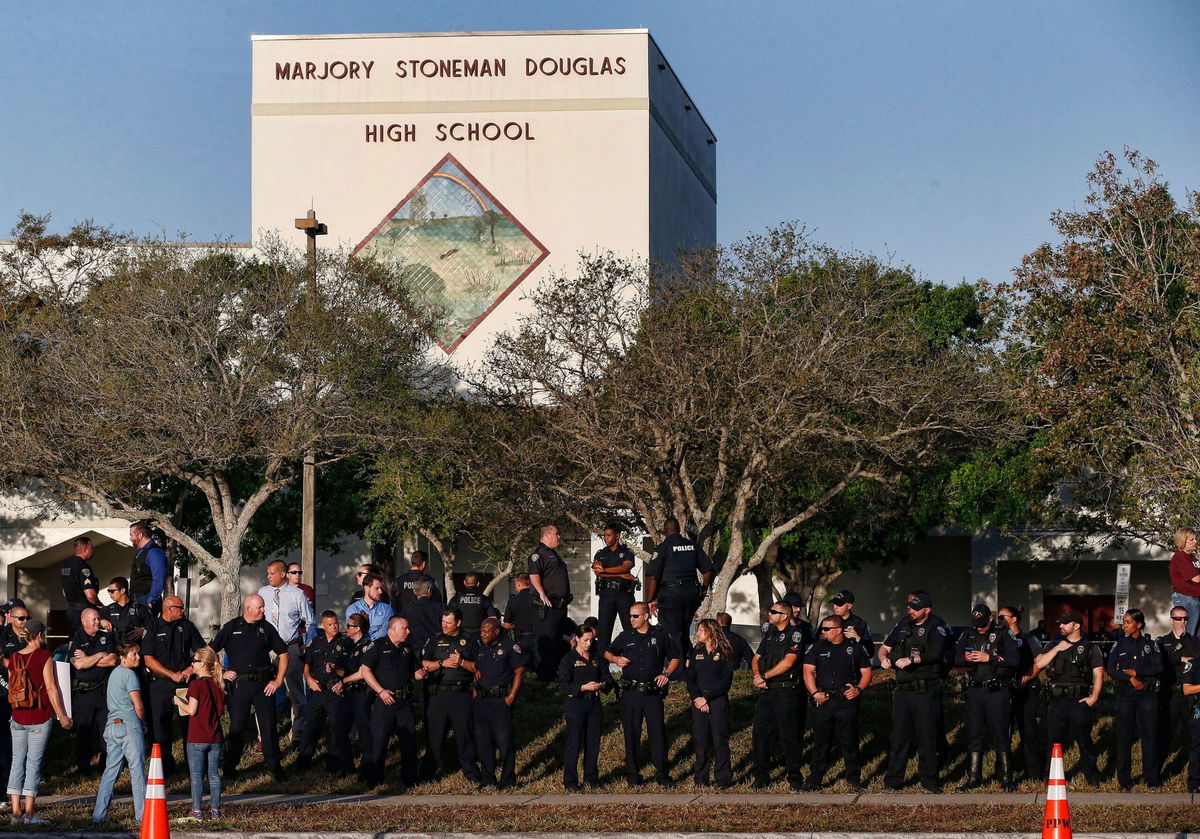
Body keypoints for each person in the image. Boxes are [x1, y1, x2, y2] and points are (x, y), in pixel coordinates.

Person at [207, 594, 289, 779]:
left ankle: (275, 768)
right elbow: (210, 651)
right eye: (259, 607)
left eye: (263, 607)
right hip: (239, 686)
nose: (263, 610)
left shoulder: (266, 628)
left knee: (268, 727)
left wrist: (278, 681)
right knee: (237, 727)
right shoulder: (232, 627)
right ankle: (229, 768)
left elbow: (283, 654)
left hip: (263, 685)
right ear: (248, 609)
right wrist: (222, 670)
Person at [878, 590, 951, 793]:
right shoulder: (903, 624)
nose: (911, 611)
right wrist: (883, 657)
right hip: (903, 691)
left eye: (916, 608)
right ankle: (893, 781)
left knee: (927, 738)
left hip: (925, 690)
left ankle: (929, 780)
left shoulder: (936, 626)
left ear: (927, 610)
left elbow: (936, 653)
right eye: (910, 607)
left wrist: (912, 660)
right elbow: (885, 646)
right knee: (899, 737)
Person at [605, 600, 680, 787]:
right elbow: (606, 652)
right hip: (631, 694)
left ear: (646, 616)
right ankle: (633, 776)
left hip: (652, 693)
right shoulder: (625, 636)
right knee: (631, 735)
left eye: (635, 616)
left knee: (658, 735)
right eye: (630, 615)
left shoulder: (660, 635)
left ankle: (662, 775)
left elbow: (676, 657)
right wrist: (615, 659)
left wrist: (666, 674)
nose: (631, 619)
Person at [7, 618, 72, 826]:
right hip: (38, 716)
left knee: (17, 761)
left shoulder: (15, 657)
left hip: (17, 716)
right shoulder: (44, 656)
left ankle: (15, 812)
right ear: (39, 635)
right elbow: (51, 688)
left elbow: (12, 687)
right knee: (33, 764)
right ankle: (29, 814)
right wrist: (62, 715)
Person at [802, 614, 872, 791]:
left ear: (839, 630)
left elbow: (867, 672)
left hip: (846, 702)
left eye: (827, 629)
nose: (823, 632)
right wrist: (814, 692)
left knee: (850, 743)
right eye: (822, 628)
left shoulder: (854, 648)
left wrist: (859, 689)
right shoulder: (817, 647)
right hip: (824, 701)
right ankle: (814, 780)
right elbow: (808, 671)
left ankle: (854, 779)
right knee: (820, 743)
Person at [1032, 610, 1103, 786]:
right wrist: (1057, 649)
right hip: (1057, 702)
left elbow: (1099, 675)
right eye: (1060, 623)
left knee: (1084, 741)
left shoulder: (1090, 648)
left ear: (1076, 625)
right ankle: (1052, 776)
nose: (1061, 626)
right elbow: (1039, 664)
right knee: (1054, 741)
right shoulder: (1053, 644)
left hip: (1079, 701)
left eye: (1065, 623)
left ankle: (1092, 777)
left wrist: (1093, 697)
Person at [954, 603, 1019, 790]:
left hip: (997, 690)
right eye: (976, 622)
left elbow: (1014, 660)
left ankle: (1006, 777)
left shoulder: (1003, 634)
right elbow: (955, 658)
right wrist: (965, 659)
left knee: (1000, 734)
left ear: (991, 617)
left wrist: (989, 657)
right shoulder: (968, 633)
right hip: (975, 690)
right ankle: (974, 777)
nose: (979, 626)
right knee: (974, 734)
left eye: (982, 622)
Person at [140, 594, 205, 778]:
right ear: (169, 609)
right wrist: (171, 674)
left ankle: (192, 767)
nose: (183, 611)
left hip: (184, 685)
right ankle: (165, 768)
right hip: (160, 685)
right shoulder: (153, 627)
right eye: (180, 607)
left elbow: (201, 652)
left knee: (189, 726)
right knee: (160, 728)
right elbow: (148, 659)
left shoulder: (187, 626)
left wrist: (189, 670)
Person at [361, 616, 425, 788]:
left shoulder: (407, 648)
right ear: (394, 629)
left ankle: (410, 780)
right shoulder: (378, 646)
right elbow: (365, 670)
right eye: (405, 628)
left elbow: (415, 672)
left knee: (409, 743)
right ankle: (374, 780)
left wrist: (422, 672)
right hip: (384, 702)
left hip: (404, 702)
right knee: (380, 742)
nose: (408, 631)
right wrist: (380, 691)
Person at [420, 608, 481, 784]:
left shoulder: (470, 641)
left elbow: (480, 666)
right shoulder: (434, 640)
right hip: (438, 695)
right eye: (442, 621)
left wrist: (462, 662)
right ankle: (426, 774)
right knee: (435, 736)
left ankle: (471, 773)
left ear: (458, 623)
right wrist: (441, 663)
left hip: (461, 695)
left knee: (464, 736)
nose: (444, 625)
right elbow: (422, 662)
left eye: (448, 622)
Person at [750, 600, 806, 789]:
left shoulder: (795, 634)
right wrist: (758, 676)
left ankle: (794, 776)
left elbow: (788, 662)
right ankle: (761, 776)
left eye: (773, 612)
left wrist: (765, 675)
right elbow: (756, 658)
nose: (769, 614)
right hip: (767, 691)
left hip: (786, 691)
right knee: (761, 735)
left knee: (788, 735)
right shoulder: (769, 634)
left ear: (784, 616)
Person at [259, 559, 316, 739]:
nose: (268, 576)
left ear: (283, 574)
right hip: (267, 650)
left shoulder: (296, 594)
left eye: (272, 573)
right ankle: (265, 736)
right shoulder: (263, 593)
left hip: (290, 648)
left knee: (295, 693)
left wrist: (308, 642)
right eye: (267, 573)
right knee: (264, 693)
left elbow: (310, 620)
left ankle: (298, 733)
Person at [1106, 607, 1163, 789]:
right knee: (1124, 737)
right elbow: (1110, 669)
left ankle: (1151, 779)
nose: (1124, 626)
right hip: (1125, 695)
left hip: (1147, 695)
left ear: (1138, 624)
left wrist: (1138, 673)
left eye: (1128, 622)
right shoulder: (1119, 644)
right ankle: (1124, 781)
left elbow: (1159, 667)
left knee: (1149, 736)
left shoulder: (1151, 644)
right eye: (1124, 622)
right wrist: (1130, 678)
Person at [467, 617, 526, 789]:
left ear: (497, 631)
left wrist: (511, 696)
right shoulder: (481, 648)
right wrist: (474, 690)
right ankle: (488, 778)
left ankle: (508, 779)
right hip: (481, 701)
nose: (482, 634)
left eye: (486, 631)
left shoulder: (510, 647)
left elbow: (519, 671)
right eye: (481, 631)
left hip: (500, 701)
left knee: (504, 741)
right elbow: (477, 669)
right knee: (483, 742)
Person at [91, 642, 146, 825]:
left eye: (138, 654)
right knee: (137, 770)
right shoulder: (130, 675)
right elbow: (137, 705)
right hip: (129, 724)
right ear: (123, 657)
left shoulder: (113, 674)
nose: (137, 657)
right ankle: (143, 815)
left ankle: (99, 816)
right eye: (134, 654)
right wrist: (143, 723)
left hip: (112, 726)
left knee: (110, 772)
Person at [645, 518, 713, 665]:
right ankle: (690, 665)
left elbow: (653, 577)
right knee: (683, 631)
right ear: (678, 530)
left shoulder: (663, 548)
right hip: (691, 594)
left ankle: (678, 671)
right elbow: (708, 569)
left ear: (665, 530)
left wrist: (649, 600)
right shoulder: (692, 546)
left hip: (671, 596)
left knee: (672, 633)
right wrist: (703, 589)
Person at [296, 611, 352, 773]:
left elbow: (350, 668)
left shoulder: (345, 643)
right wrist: (309, 679)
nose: (334, 626)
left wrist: (338, 672)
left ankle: (334, 765)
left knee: (336, 729)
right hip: (318, 691)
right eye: (330, 624)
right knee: (311, 727)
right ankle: (303, 763)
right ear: (323, 626)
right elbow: (307, 664)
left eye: (336, 623)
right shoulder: (316, 642)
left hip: (335, 691)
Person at [172, 647, 225, 821]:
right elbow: (222, 711)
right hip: (215, 736)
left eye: (194, 661)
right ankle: (215, 810)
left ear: (202, 663)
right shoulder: (218, 684)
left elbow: (192, 710)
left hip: (197, 736)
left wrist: (178, 701)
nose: (191, 664)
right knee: (214, 775)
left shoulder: (196, 684)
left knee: (196, 777)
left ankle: (196, 810)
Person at [558, 624, 612, 790]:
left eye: (592, 639)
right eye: (586, 640)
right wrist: (583, 687)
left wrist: (602, 686)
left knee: (593, 743)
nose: (589, 643)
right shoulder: (569, 659)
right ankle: (571, 782)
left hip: (594, 703)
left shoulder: (597, 659)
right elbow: (564, 684)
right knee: (574, 743)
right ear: (578, 639)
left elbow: (608, 679)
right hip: (576, 704)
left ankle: (591, 779)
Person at [686, 618, 735, 788]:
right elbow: (690, 678)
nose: (697, 633)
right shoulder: (696, 651)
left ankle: (723, 778)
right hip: (698, 702)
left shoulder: (725, 651)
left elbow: (725, 682)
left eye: (700, 630)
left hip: (717, 701)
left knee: (719, 740)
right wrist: (697, 698)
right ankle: (701, 777)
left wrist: (707, 697)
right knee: (700, 740)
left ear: (710, 631)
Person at [997, 605, 1044, 782]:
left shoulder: (1028, 639)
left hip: (1026, 692)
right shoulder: (999, 638)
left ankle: (1033, 775)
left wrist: (1026, 677)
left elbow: (1040, 662)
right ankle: (1002, 773)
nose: (999, 620)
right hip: (1005, 691)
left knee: (1028, 733)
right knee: (1003, 733)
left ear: (1014, 619)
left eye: (1003, 617)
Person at [69, 607, 116, 777]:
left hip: (103, 692)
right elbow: (78, 664)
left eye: (98, 619)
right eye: (94, 619)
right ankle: (83, 770)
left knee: (106, 733)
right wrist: (100, 654)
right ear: (84, 621)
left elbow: (112, 661)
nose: (98, 622)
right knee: (84, 733)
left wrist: (89, 656)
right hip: (84, 693)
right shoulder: (77, 637)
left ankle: (106, 768)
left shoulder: (107, 636)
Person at [1156, 605, 1199, 775]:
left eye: (1185, 619)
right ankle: (1153, 777)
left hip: (1192, 696)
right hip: (1171, 696)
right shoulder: (1162, 642)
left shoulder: (1195, 642)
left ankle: (1194, 779)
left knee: (1195, 738)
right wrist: (1179, 658)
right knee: (1164, 736)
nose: (1182, 622)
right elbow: (1159, 662)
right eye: (1178, 618)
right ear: (1171, 620)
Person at [528, 525, 573, 680]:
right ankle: (544, 677)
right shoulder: (538, 554)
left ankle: (554, 674)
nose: (559, 537)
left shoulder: (553, 554)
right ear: (547, 535)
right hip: (546, 608)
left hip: (559, 607)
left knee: (556, 640)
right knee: (546, 642)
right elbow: (534, 575)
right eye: (557, 534)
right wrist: (542, 594)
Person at [337, 612, 373, 778]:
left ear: (358, 628)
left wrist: (343, 681)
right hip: (348, 693)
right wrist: (335, 671)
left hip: (361, 693)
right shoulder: (348, 644)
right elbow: (346, 670)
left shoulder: (368, 646)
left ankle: (368, 768)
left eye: (349, 626)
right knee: (340, 730)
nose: (346, 628)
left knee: (365, 733)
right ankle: (347, 767)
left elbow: (362, 673)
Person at [592, 525, 638, 652]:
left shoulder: (627, 552)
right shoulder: (601, 554)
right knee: (604, 633)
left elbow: (625, 567)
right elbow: (598, 572)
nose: (605, 538)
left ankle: (633, 663)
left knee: (631, 631)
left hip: (624, 595)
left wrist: (606, 570)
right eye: (604, 535)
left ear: (617, 535)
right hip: (606, 595)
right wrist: (621, 575)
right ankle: (603, 668)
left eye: (608, 535)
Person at [61, 536, 101, 631]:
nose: (92, 550)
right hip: (83, 611)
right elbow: (90, 595)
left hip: (71, 611)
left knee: (74, 641)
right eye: (91, 548)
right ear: (85, 549)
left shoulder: (66, 565)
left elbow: (64, 592)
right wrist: (99, 604)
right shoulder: (83, 567)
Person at [128, 522, 167, 613]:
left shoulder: (154, 552)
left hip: (146, 601)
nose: (130, 538)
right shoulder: (140, 552)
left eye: (131, 535)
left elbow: (158, 578)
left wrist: (151, 600)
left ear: (140, 535)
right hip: (136, 600)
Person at [502, 573, 538, 670]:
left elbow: (506, 624)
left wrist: (514, 625)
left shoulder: (513, 601)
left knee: (523, 667)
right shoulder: (538, 598)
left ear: (518, 584)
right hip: (539, 637)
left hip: (521, 638)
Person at [401, 580, 442, 663]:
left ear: (414, 592)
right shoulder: (440, 607)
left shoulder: (406, 609)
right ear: (429, 590)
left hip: (414, 650)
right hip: (437, 650)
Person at [100, 577, 152, 643]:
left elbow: (153, 627)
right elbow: (91, 622)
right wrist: (101, 621)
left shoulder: (139, 608)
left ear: (122, 591)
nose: (110, 594)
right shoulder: (108, 609)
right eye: (108, 591)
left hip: (135, 647)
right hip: (116, 648)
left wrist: (143, 631)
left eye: (112, 591)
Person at [447, 572, 499, 638]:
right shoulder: (485, 599)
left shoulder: (456, 599)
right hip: (479, 635)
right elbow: (493, 618)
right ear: (478, 584)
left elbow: (448, 616)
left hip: (460, 635)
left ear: (464, 583)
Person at [1170, 527, 1200, 637]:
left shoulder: (1191, 558)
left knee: (1197, 633)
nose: (1195, 542)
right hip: (1187, 598)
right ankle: (1187, 654)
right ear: (1183, 541)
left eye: (1195, 539)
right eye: (1192, 539)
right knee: (1190, 632)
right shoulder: (1181, 557)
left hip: (1194, 598)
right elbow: (1196, 578)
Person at [346, 573, 393, 641]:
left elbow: (385, 632)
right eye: (377, 588)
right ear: (366, 588)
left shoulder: (387, 609)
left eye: (381, 588)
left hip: (379, 648)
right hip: (359, 649)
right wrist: (377, 627)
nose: (380, 591)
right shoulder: (353, 609)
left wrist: (365, 632)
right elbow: (353, 632)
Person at [828, 589, 873, 658]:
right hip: (829, 665)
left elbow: (870, 652)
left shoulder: (860, 624)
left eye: (839, 604)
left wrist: (857, 638)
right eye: (834, 603)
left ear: (849, 606)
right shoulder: (827, 622)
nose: (835, 607)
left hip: (851, 666)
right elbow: (813, 648)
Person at [1179, 651, 1200, 791]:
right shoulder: (1193, 665)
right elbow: (1186, 689)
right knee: (1197, 748)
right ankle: (1194, 783)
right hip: (1198, 712)